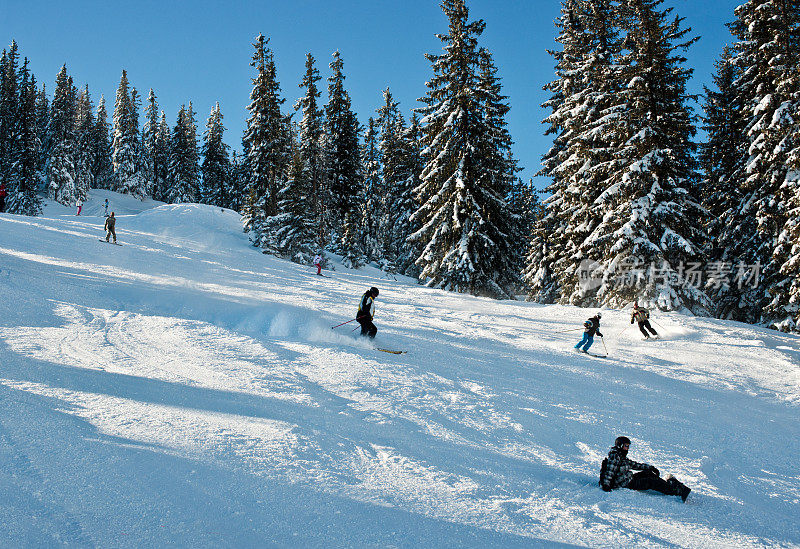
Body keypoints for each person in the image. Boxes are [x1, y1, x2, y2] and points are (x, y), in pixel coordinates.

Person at [600, 436, 691, 502]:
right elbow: (609, 471)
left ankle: (669, 485)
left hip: (628, 478)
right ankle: (676, 491)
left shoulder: (621, 456)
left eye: (628, 446)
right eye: (626, 446)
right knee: (651, 481)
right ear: (620, 445)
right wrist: (606, 485)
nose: (628, 448)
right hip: (624, 483)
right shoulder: (615, 456)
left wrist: (650, 468)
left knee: (648, 473)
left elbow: (634, 465)